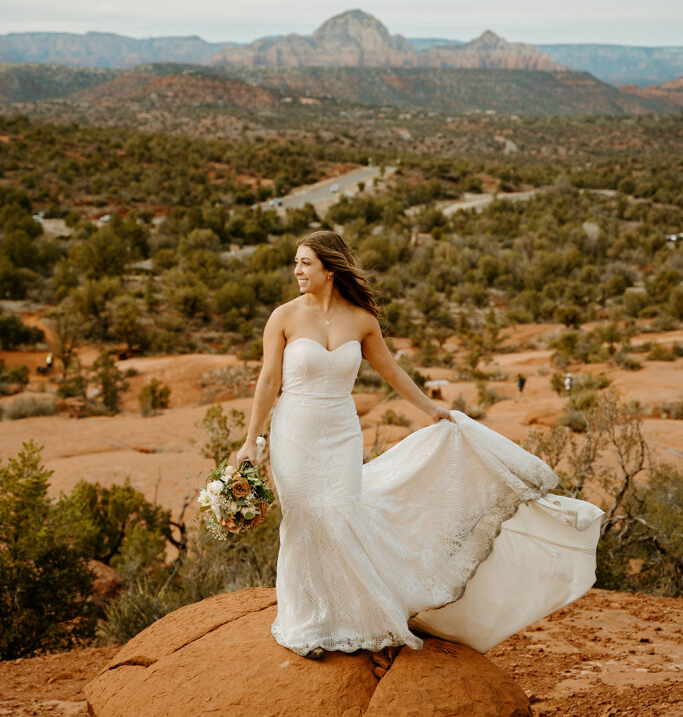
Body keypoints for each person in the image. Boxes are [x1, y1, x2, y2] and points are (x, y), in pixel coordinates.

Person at [236, 230, 602, 660]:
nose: (296, 271)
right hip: (294, 432)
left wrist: (432, 411)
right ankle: (307, 624)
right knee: (304, 521)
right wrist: (250, 441)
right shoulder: (283, 317)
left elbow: (391, 372)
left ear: (329, 270)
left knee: (342, 513)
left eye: (305, 263)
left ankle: (350, 618)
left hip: (340, 434)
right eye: (296, 263)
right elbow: (268, 380)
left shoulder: (361, 320)